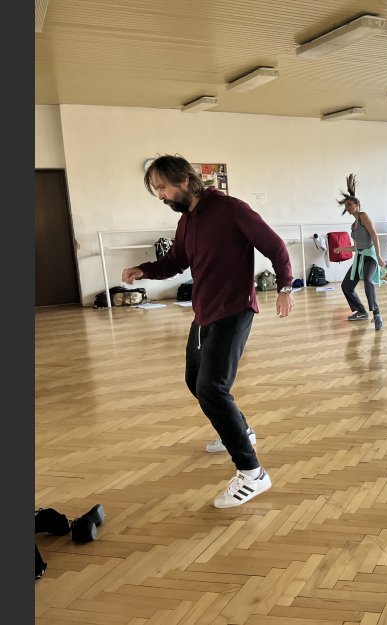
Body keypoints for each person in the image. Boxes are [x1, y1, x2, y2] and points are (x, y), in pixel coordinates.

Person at [121, 154, 295, 508]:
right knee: (195, 380)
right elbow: (177, 261)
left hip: (234, 310)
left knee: (212, 388)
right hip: (204, 311)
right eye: (156, 190)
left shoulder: (231, 209)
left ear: (184, 180)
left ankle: (252, 472)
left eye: (163, 188)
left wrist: (285, 287)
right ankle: (241, 430)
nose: (161, 196)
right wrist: (144, 270)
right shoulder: (187, 220)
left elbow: (275, 246)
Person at [335, 174, 384, 330]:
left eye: (350, 204)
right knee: (346, 286)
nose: (348, 207)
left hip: (370, 257)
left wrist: (379, 256)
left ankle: (377, 314)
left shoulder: (363, 216)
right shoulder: (353, 226)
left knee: (368, 280)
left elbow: (374, 235)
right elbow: (356, 248)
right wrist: (342, 248)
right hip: (360, 258)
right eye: (346, 206)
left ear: (357, 204)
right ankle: (361, 312)